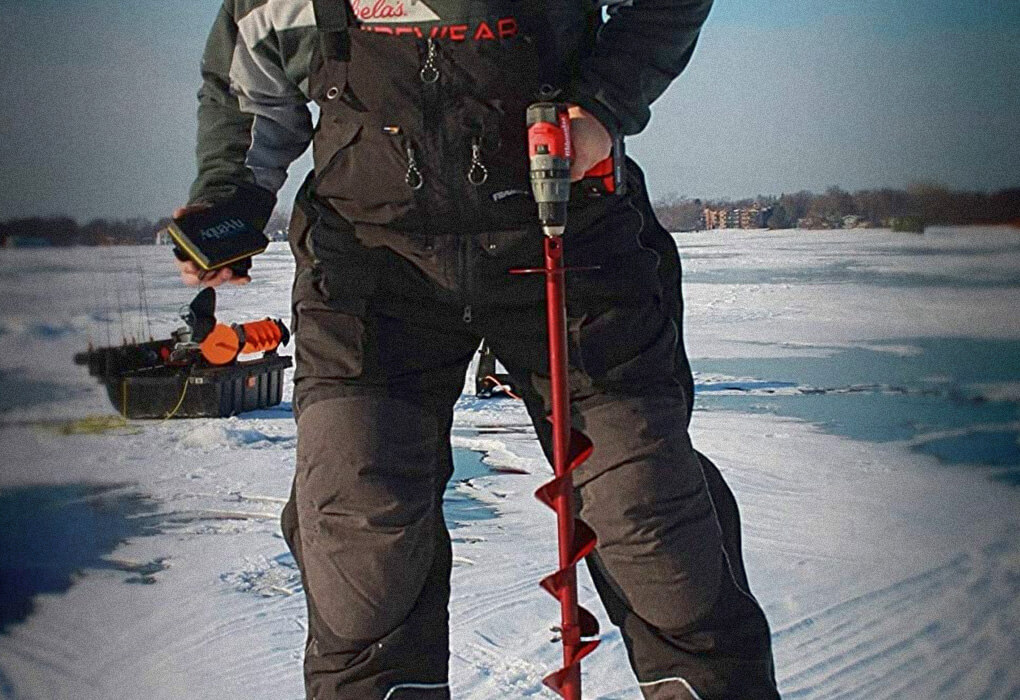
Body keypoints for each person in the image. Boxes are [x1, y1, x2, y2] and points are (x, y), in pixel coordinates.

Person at [176, 1, 780, 698]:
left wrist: (600, 104)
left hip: (569, 245)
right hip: (373, 269)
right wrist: (229, 197)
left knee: (649, 520)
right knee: (360, 532)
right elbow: (247, 86)